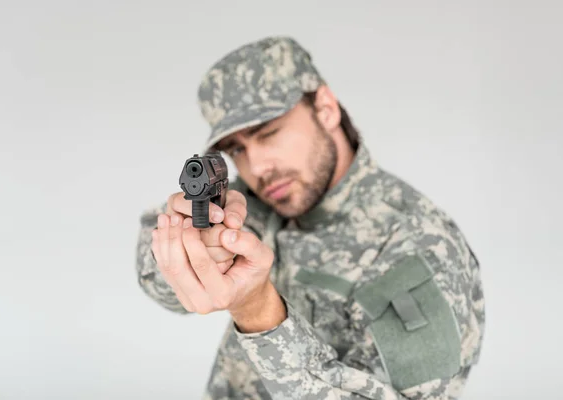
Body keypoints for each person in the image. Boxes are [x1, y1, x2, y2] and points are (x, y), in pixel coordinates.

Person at [135, 36, 485, 399]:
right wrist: (185, 242)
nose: (257, 167)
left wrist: (257, 311)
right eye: (237, 149)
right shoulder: (255, 201)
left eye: (269, 134)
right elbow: (155, 279)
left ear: (326, 108)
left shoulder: (419, 246)